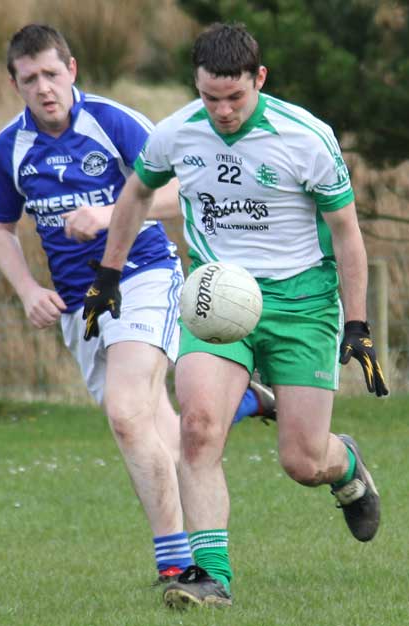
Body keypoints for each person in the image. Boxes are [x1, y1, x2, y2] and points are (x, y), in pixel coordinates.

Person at [83, 22, 389, 609]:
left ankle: (344, 462)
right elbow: (137, 196)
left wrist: (357, 325)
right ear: (196, 87)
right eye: (209, 97)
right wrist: (108, 276)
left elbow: (348, 234)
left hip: (303, 304)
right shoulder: (177, 133)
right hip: (216, 298)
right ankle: (211, 578)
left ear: (259, 80)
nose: (222, 110)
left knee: (302, 460)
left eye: (234, 97)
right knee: (197, 428)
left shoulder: (306, 137)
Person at [0, 24, 275, 586]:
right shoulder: (9, 147)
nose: (44, 87)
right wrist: (26, 290)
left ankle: (174, 564)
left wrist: (115, 212)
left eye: (51, 73)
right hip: (78, 306)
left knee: (124, 412)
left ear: (71, 69)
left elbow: (182, 185)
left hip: (143, 277)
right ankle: (240, 405)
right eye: (30, 78)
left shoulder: (112, 121)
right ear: (15, 83)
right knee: (155, 431)